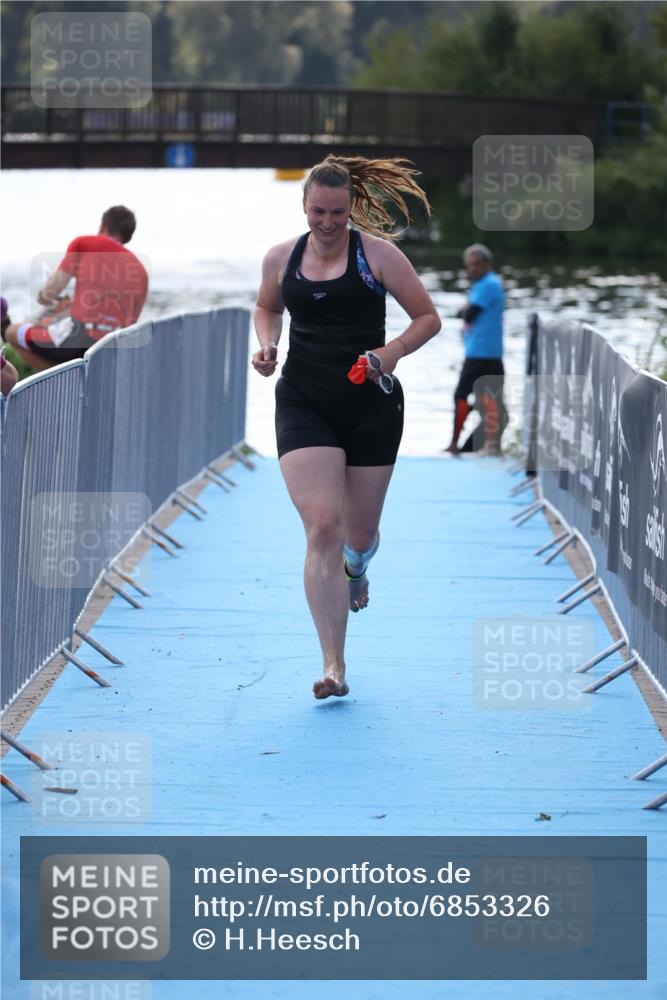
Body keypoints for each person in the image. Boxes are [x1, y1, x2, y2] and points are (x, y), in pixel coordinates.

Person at [253, 155, 441, 700]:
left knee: (356, 538)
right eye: (318, 212)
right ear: (304, 206)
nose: (328, 223)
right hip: (303, 399)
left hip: (370, 404)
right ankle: (333, 665)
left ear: (351, 208)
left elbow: (427, 318)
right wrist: (267, 346)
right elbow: (266, 307)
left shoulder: (378, 256)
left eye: (338, 212)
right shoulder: (280, 258)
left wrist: (392, 352)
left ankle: (358, 568)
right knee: (322, 528)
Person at [2, 206, 148, 371]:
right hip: (111, 348)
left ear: (103, 226)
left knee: (12, 332)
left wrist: (43, 297)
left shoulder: (84, 243)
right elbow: (130, 323)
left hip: (77, 338)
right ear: (128, 236)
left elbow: (53, 289)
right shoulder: (141, 271)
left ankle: (56, 386)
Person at [445, 243, 507, 455]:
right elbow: (465, 312)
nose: (473, 268)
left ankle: (458, 445)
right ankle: (475, 446)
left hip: (482, 354)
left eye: (477, 264)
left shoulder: (489, 284)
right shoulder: (482, 285)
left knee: (462, 396)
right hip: (483, 352)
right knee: (491, 404)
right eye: (470, 265)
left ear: (487, 263)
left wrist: (463, 311)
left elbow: (469, 314)